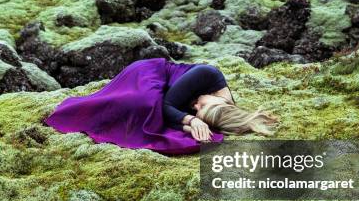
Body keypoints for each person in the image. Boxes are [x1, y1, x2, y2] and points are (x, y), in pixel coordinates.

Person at [44, 58, 279, 155]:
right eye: (201, 105)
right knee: (142, 104)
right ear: (221, 100)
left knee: (144, 111)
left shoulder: (217, 112)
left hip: (161, 96)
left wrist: (189, 124)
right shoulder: (207, 75)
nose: (196, 106)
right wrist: (190, 120)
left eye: (197, 111)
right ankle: (73, 113)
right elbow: (167, 106)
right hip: (150, 73)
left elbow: (170, 114)